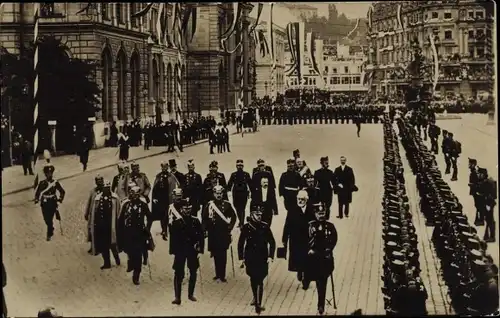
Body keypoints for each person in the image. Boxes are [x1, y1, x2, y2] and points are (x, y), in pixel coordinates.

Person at [238, 206, 276, 314]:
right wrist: (241, 258)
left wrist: (270, 256)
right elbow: (241, 243)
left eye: (260, 215)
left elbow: (272, 242)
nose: (259, 217)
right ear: (252, 215)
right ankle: (255, 297)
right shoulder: (246, 227)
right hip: (250, 257)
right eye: (257, 215)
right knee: (253, 278)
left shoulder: (265, 227)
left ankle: (258, 304)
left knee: (260, 279)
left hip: (262, 257)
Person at [169, 198, 204, 305]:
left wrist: (200, 248)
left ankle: (190, 294)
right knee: (179, 273)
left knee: (193, 271)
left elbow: (201, 236)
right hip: (180, 251)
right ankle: (177, 297)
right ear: (180, 210)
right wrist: (173, 251)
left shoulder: (195, 221)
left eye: (189, 208)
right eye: (185, 209)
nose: (187, 210)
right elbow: (173, 239)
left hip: (192, 251)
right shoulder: (176, 223)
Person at [305, 202, 338, 315]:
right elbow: (305, 240)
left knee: (322, 282)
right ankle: (306, 280)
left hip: (325, 259)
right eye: (319, 213)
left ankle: (321, 305)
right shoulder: (310, 226)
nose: (321, 215)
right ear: (315, 214)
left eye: (323, 213)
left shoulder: (330, 226)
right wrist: (309, 249)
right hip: (313, 259)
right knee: (315, 279)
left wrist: (329, 250)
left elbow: (334, 239)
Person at [117, 186, 152, 285]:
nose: (134, 196)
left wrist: (147, 228)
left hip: (140, 234)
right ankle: (130, 262)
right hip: (128, 234)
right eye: (132, 194)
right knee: (130, 252)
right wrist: (120, 233)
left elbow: (150, 217)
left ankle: (136, 275)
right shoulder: (126, 205)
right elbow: (120, 220)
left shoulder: (143, 205)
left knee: (138, 255)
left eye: (136, 194)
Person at [202, 185, 237, 282]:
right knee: (215, 254)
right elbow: (204, 218)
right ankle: (217, 274)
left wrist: (230, 227)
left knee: (223, 254)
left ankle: (222, 275)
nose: (218, 195)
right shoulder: (209, 205)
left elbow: (234, 217)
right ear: (213, 194)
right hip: (213, 232)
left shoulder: (227, 205)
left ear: (223, 194)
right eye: (216, 193)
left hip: (223, 232)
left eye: (220, 193)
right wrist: (204, 229)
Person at [282, 190, 314, 289]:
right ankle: (300, 272)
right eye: (299, 199)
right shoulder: (292, 210)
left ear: (306, 200)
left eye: (302, 199)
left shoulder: (311, 210)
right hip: (295, 239)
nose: (300, 201)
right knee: (298, 258)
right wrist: (284, 239)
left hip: (307, 239)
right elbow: (287, 225)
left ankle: (306, 279)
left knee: (308, 259)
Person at [88, 180, 121, 269]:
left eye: (108, 188)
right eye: (105, 188)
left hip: (111, 225)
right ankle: (107, 263)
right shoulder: (98, 198)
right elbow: (95, 211)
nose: (106, 189)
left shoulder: (115, 198)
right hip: (102, 226)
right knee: (103, 246)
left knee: (113, 244)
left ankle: (117, 259)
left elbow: (118, 212)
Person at [34, 164, 65, 241]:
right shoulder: (42, 183)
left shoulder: (55, 182)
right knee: (46, 219)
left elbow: (62, 191)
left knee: (50, 219)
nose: (49, 175)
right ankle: (51, 227)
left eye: (50, 173)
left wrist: (60, 199)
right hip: (44, 203)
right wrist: (36, 199)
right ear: (45, 174)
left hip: (52, 203)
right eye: (48, 173)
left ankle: (49, 233)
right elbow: (37, 192)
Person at [227, 159, 252, 227]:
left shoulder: (246, 174)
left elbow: (250, 184)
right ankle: (241, 221)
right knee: (237, 208)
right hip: (236, 194)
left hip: (244, 193)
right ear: (236, 166)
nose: (239, 167)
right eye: (238, 165)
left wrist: (251, 192)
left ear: (243, 166)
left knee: (242, 208)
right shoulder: (233, 174)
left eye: (241, 165)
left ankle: (241, 223)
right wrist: (228, 190)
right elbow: (230, 183)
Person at [85, 175, 105, 254]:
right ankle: (93, 246)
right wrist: (86, 213)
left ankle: (99, 247)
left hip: (101, 215)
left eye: (100, 180)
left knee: (100, 231)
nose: (99, 182)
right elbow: (89, 202)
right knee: (91, 230)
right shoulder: (93, 191)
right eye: (97, 180)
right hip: (93, 214)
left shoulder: (105, 190)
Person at [152, 162, 171, 240]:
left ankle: (166, 229)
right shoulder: (158, 176)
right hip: (161, 199)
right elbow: (155, 188)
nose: (164, 168)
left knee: (168, 214)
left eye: (166, 167)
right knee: (162, 215)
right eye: (163, 167)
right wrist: (154, 197)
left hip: (169, 198)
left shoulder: (171, 176)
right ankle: (164, 230)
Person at [468, 158, 483, 226]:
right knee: (478, 206)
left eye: (470, 164)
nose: (468, 165)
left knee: (479, 205)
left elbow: (478, 182)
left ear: (473, 164)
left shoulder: (475, 172)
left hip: (477, 192)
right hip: (476, 192)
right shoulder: (474, 171)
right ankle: (478, 220)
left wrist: (472, 185)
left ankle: (480, 220)